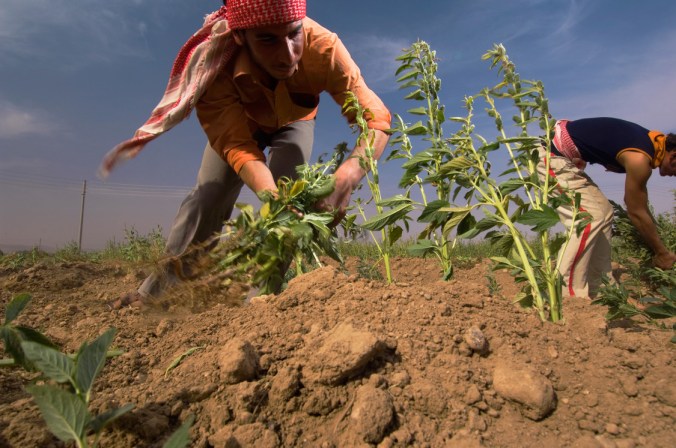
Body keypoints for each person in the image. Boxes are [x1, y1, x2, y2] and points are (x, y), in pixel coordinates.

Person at [103, 0, 391, 307]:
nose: (288, 54)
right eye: (267, 40)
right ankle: (157, 293)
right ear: (241, 37)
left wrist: (346, 178)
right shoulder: (214, 70)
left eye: (294, 34)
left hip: (295, 121)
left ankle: (262, 299)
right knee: (209, 196)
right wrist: (268, 192)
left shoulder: (324, 47)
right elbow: (236, 145)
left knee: (289, 205)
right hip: (242, 126)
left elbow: (377, 120)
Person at [540, 117, 676, 299]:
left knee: (604, 213)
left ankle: (602, 288)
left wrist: (658, 243)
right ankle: (566, 295)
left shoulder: (649, 145)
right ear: (674, 155)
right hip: (548, 156)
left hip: (565, 161)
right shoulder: (640, 158)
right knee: (588, 218)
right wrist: (661, 252)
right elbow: (636, 212)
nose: (674, 176)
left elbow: (642, 210)